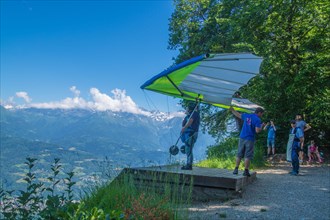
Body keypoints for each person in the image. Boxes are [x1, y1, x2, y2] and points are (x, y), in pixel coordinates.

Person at [230, 106, 265, 177]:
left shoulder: (247, 115)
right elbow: (257, 131)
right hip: (250, 138)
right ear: (259, 113)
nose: (262, 115)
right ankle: (246, 171)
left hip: (242, 137)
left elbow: (238, 115)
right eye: (262, 114)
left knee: (239, 153)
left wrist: (232, 110)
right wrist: (262, 126)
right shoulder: (257, 120)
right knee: (248, 155)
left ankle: (236, 169)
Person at [180, 102, 200, 170]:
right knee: (187, 149)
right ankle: (188, 164)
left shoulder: (194, 114)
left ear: (190, 108)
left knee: (189, 149)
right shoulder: (188, 116)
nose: (186, 108)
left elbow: (190, 121)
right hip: (188, 134)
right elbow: (184, 123)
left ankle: (189, 165)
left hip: (191, 134)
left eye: (187, 108)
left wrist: (184, 128)